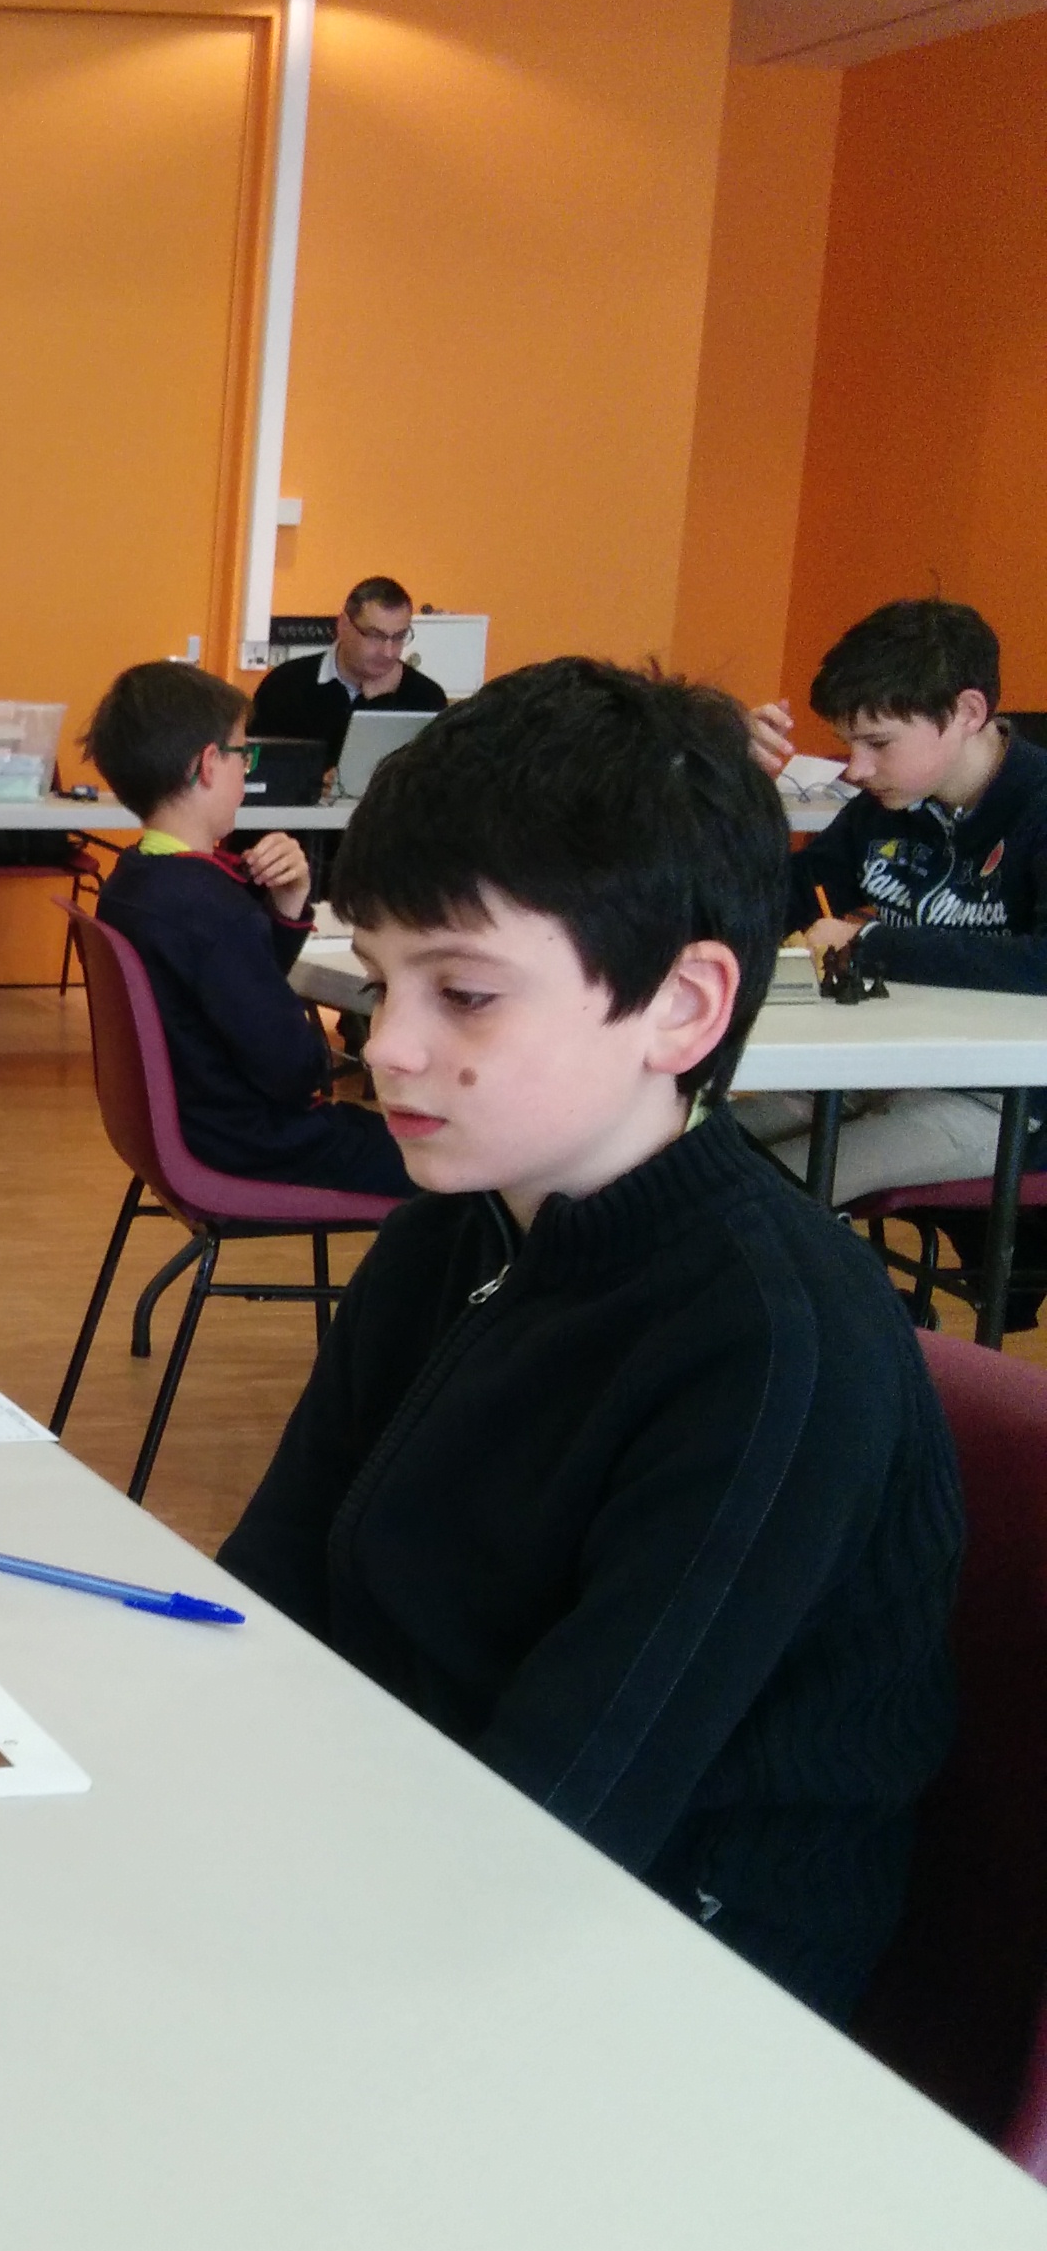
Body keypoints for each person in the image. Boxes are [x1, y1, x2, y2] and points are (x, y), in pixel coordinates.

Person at [219, 659, 958, 2023]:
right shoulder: (449, 1233)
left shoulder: (769, 1348)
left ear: (681, 1007)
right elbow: (267, 1596)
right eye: (380, 981)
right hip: (410, 1862)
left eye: (465, 994)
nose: (386, 1047)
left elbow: (562, 1820)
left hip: (673, 1991)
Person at [733, 598, 1047, 1204]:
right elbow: (769, 902)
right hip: (880, 1067)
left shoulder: (1037, 806)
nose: (856, 769)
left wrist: (870, 944)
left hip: (1003, 1100)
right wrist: (730, 783)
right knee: (681, 1147)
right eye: (849, 744)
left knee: (753, 1195)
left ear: (968, 712)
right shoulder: (886, 808)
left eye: (878, 743)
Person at [82, 660, 411, 1197]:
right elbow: (293, 1069)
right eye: (244, 753)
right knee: (454, 1168)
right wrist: (325, 1060)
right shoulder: (210, 908)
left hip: (198, 1130)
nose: (246, 770)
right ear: (209, 765)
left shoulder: (135, 880)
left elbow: (237, 992)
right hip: (255, 1145)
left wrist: (286, 907)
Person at [244, 574, 449, 768]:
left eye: (399, 637)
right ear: (343, 625)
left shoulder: (426, 697)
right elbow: (257, 769)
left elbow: (432, 779)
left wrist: (381, 702)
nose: (388, 652)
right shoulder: (285, 684)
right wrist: (317, 780)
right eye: (374, 635)